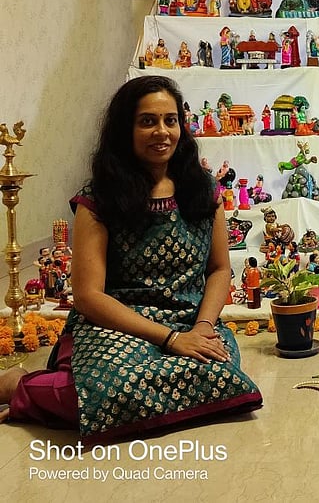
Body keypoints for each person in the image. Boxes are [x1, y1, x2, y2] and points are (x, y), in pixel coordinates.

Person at [0, 76, 262, 439]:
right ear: (126, 129)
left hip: (190, 320)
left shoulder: (204, 190)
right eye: (147, 121)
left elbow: (219, 269)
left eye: (170, 120)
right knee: (105, 394)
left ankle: (61, 384)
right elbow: (89, 296)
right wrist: (171, 340)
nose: (162, 132)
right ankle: (17, 387)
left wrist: (201, 328)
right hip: (116, 323)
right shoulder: (100, 199)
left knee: (220, 376)